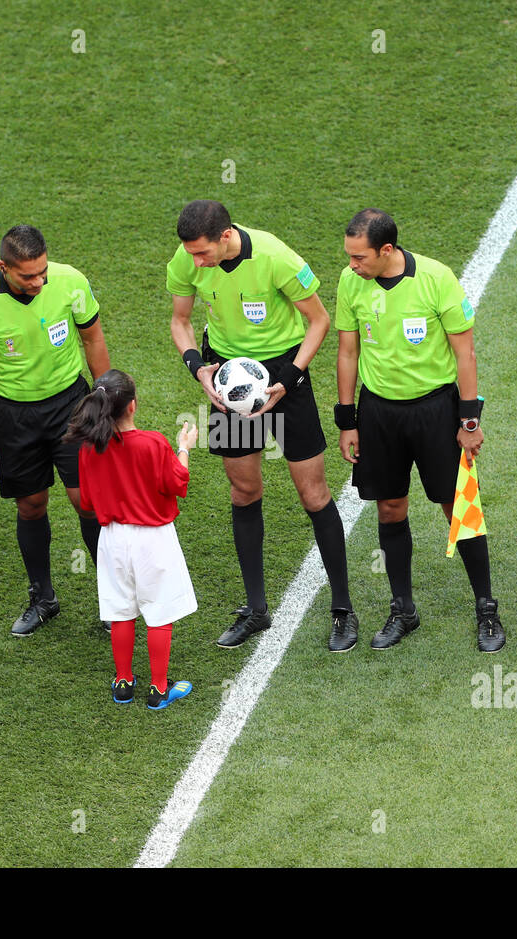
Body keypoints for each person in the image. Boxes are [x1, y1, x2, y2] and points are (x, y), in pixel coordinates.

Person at [169, 200, 357, 651]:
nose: (195, 263)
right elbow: (180, 321)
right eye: (190, 254)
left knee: (314, 494)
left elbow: (319, 321)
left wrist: (287, 380)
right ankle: (256, 609)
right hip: (228, 379)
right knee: (244, 491)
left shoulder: (277, 258)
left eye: (202, 253)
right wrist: (198, 368)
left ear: (227, 236)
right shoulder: (186, 258)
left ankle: (343, 610)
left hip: (283, 377)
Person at [335, 208, 505, 652]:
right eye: (350, 257)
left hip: (435, 411)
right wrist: (347, 419)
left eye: (360, 257)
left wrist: (469, 422)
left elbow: (465, 354)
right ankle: (403, 610)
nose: (352, 266)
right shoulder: (350, 282)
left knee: (457, 507)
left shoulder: (436, 279)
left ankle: (487, 609)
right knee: (389, 507)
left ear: (386, 250)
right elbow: (348, 353)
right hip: (379, 413)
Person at [0, 225, 110, 636]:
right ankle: (43, 598)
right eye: (28, 276)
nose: (39, 282)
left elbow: (92, 339)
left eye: (42, 272)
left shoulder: (70, 282)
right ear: (3, 267)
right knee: (31, 506)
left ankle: (114, 600)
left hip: (72, 407)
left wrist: (107, 397)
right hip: (16, 416)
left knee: (88, 502)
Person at [65, 370, 197, 709]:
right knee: (158, 612)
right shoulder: (153, 443)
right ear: (132, 406)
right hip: (153, 540)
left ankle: (123, 683)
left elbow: (88, 504)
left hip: (111, 540)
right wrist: (184, 448)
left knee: (121, 611)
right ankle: (157, 689)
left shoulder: (89, 449)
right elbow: (178, 482)